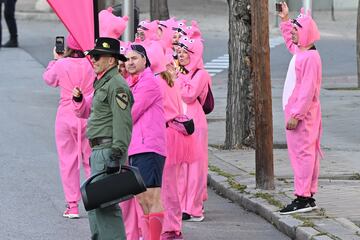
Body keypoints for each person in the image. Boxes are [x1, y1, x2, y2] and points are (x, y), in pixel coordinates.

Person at [73, 37, 133, 239]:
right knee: (96, 205)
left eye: (98, 56)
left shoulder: (116, 85)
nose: (94, 59)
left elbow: (122, 121)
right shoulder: (105, 83)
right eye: (93, 56)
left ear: (112, 60)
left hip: (108, 150)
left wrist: (117, 152)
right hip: (100, 150)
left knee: (106, 205)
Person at [277, 2, 323, 215]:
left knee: (303, 154)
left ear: (306, 34)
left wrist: (296, 115)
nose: (293, 34)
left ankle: (303, 196)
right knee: (302, 153)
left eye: (297, 31)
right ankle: (306, 195)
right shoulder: (301, 52)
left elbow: (307, 90)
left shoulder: (311, 58)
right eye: (293, 31)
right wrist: (286, 20)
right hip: (298, 113)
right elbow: (289, 42)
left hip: (303, 116)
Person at [43, 34, 94, 219]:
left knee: (68, 161)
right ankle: (94, 200)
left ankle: (72, 205)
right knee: (91, 161)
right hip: (89, 114)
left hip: (66, 115)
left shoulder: (61, 64)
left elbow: (49, 79)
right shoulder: (92, 63)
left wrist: (55, 60)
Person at [124, 44, 166, 240]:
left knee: (151, 196)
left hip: (149, 145)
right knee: (141, 198)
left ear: (144, 59)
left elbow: (130, 112)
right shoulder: (132, 82)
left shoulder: (148, 82)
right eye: (127, 59)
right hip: (136, 146)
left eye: (134, 58)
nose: (129, 62)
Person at [176, 36, 211, 222]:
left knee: (195, 168)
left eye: (184, 53)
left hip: (196, 124)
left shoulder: (201, 74)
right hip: (180, 124)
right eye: (179, 52)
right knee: (181, 167)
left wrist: (178, 77)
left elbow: (189, 95)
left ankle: (194, 208)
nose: (180, 56)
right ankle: (182, 206)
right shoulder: (179, 72)